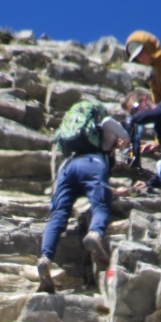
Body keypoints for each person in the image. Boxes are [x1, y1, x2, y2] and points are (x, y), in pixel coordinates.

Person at [36, 105, 129, 294]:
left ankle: (45, 258)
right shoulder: (103, 125)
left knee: (58, 215)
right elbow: (119, 131)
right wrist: (123, 142)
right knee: (100, 206)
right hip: (93, 164)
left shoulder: (72, 133)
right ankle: (95, 234)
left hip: (67, 168)